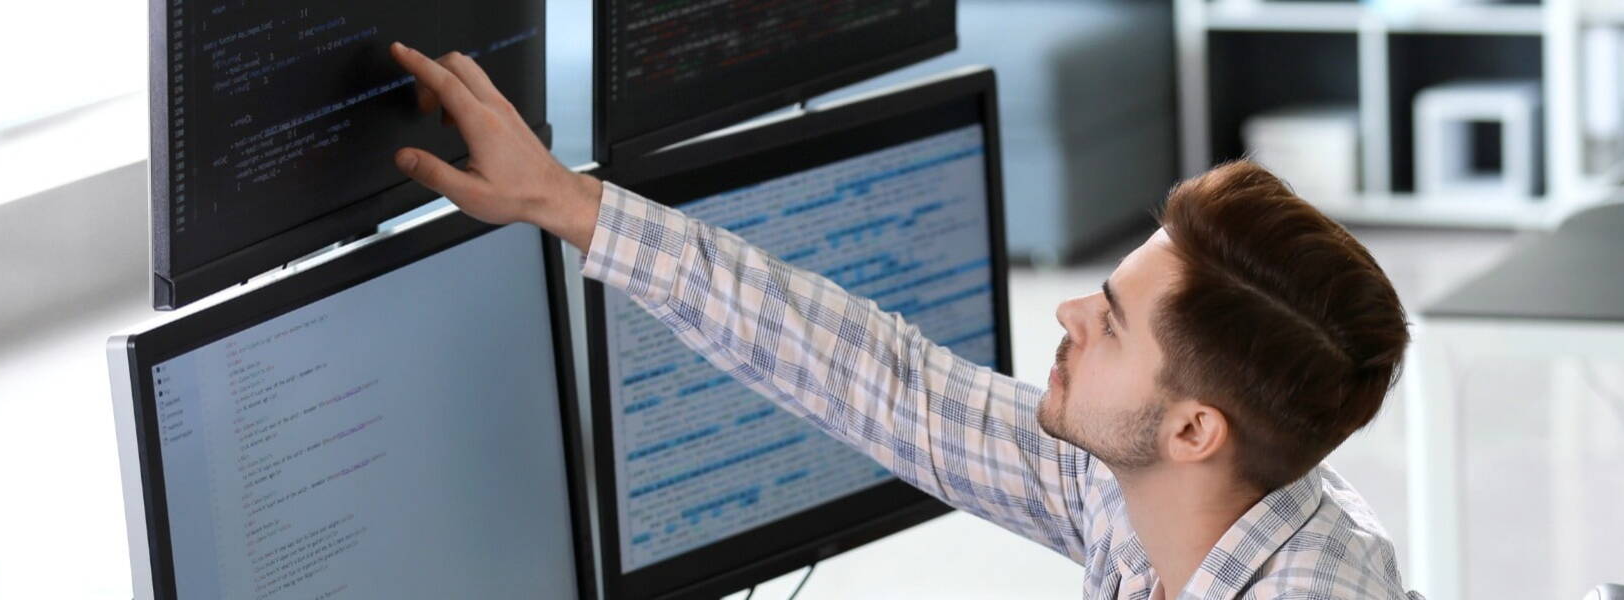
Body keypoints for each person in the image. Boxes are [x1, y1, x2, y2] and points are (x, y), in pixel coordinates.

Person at [386, 42, 1419, 600]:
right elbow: (885, 383)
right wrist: (566, 204)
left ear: (1195, 429)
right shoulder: (1160, 499)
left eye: (1107, 322)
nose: (1063, 310)